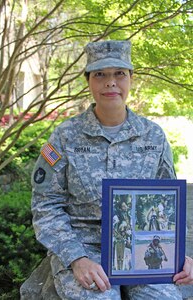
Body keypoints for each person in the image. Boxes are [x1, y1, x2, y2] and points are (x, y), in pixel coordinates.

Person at [29, 40, 193, 300]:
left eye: (119, 73)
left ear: (130, 78)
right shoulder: (64, 137)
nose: (110, 82)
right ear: (89, 81)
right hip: (85, 245)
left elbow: (167, 205)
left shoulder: (153, 136)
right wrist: (76, 258)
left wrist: (177, 255)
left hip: (139, 248)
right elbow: (45, 206)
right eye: (100, 74)